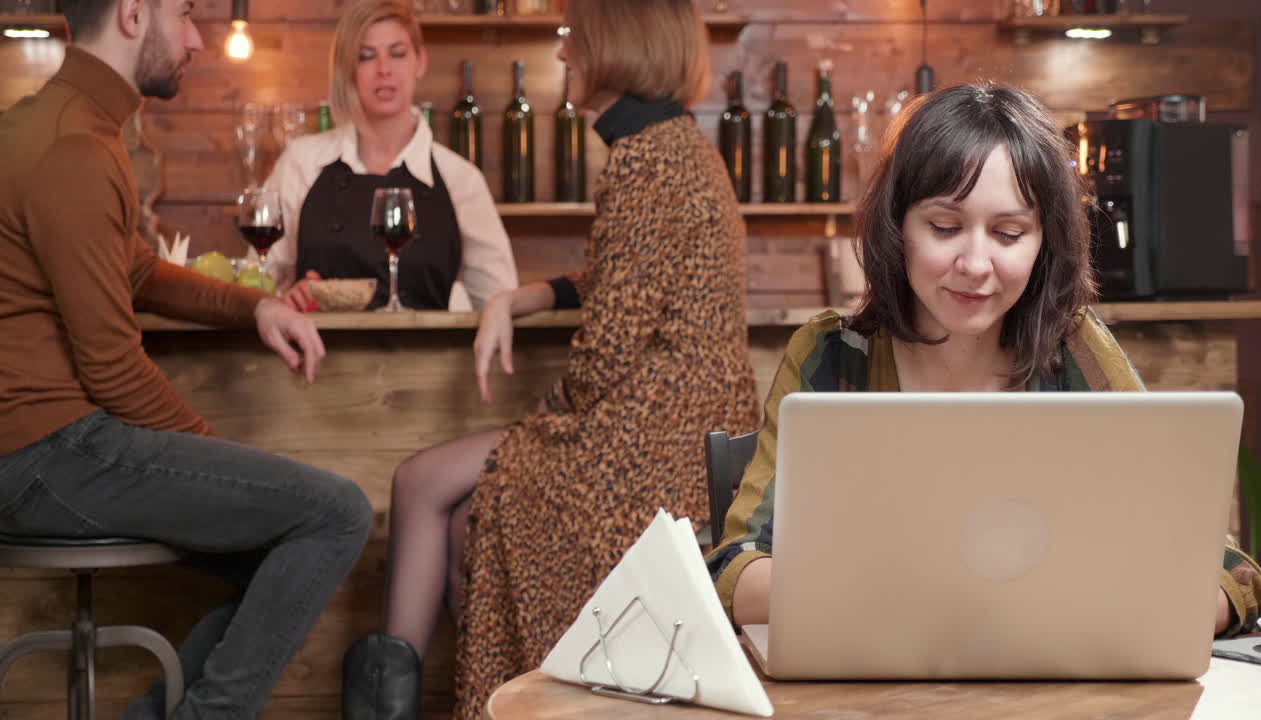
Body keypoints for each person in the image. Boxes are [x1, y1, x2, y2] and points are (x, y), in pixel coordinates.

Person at [705, 83, 1261, 638]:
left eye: (1008, 233)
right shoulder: (832, 358)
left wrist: (1130, 607)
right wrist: (925, 600)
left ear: (1043, 243)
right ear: (896, 227)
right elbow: (736, 569)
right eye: (945, 227)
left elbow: (1227, 574)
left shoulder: (1070, 352)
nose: (976, 263)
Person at [339, 1, 760, 717]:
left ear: (614, 44)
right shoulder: (673, 147)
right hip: (679, 434)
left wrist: (548, 416)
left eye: (574, 39)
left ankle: (496, 702)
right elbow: (624, 277)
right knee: (447, 507)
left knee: (424, 486)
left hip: (648, 445)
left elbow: (607, 352)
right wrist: (526, 296)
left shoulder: (647, 158)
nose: (564, 56)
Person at [0, 1, 373, 718]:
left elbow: (137, 271)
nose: (199, 37)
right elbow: (110, 367)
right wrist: (214, 459)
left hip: (36, 448)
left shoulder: (66, 125)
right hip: (41, 452)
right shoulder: (71, 147)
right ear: (135, 14)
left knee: (284, 540)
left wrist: (255, 305)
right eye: (186, 14)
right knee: (336, 514)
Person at [263, 0, 517, 312]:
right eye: (366, 56)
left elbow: (500, 300)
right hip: (318, 357)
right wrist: (284, 299)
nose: (384, 69)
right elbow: (258, 282)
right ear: (348, 69)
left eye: (397, 53)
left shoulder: (461, 179)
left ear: (420, 61)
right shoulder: (301, 162)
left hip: (427, 359)